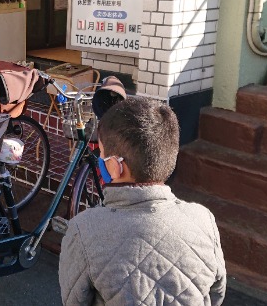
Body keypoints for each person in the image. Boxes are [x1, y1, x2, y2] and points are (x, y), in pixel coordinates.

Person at [59, 97, 226, 306]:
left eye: (101, 155)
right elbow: (216, 294)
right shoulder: (204, 220)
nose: (99, 161)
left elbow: (74, 301)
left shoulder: (83, 230)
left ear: (115, 166)